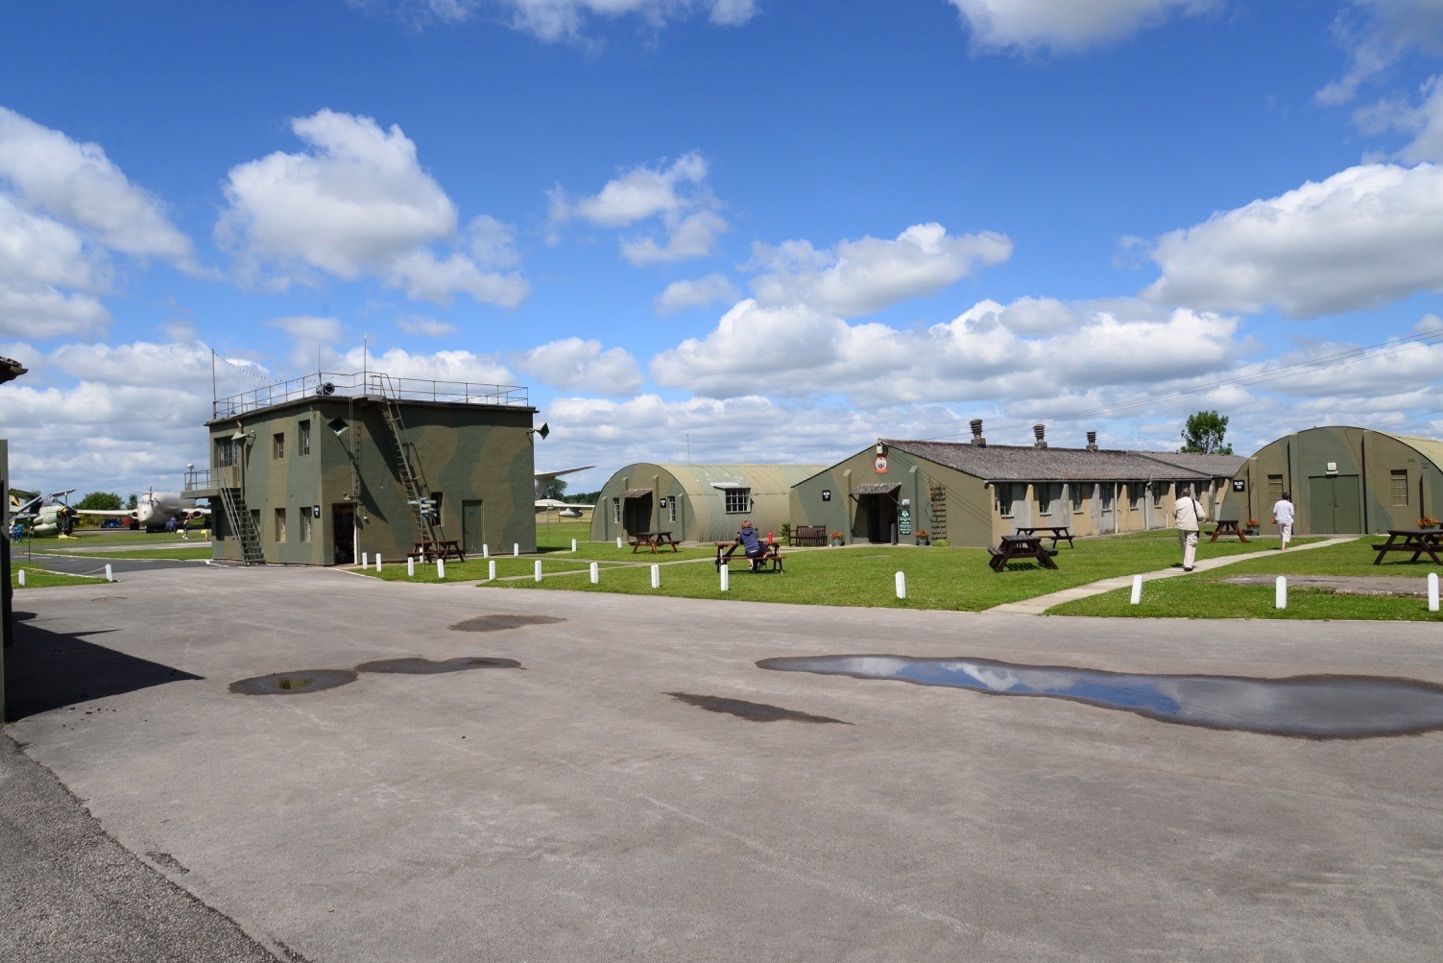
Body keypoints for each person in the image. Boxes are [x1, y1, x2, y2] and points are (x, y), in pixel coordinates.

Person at [1173, 486, 1208, 572]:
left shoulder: (1177, 502)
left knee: (1184, 543)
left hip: (1181, 526)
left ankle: (1186, 562)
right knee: (1191, 544)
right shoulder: (1194, 502)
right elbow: (1201, 515)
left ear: (1182, 493)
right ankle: (1188, 565)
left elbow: (1174, 514)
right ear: (1189, 494)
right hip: (1192, 526)